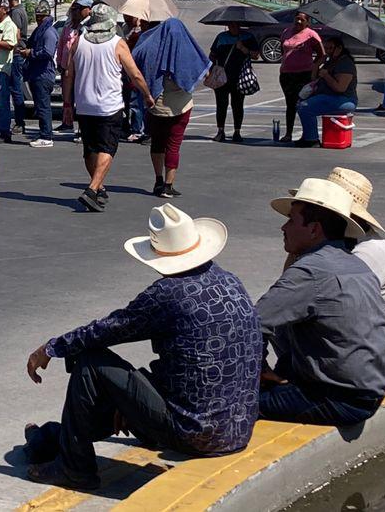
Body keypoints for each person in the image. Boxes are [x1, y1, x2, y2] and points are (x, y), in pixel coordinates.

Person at [22, 204, 260, 489]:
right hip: (238, 428)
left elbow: (107, 330)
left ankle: (74, 468)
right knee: (120, 388)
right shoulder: (231, 281)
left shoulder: (169, 293)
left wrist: (51, 348)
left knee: (89, 362)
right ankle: (48, 439)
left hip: (196, 432)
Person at [256, 177, 385, 425]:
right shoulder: (356, 264)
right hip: (370, 390)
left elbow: (251, 324)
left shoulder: (310, 272)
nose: (283, 228)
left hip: (340, 399)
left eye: (291, 220)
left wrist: (259, 369)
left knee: (231, 402)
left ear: (314, 229)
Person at [322, 168, 385, 386]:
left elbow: (331, 306)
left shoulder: (367, 252)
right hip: (365, 353)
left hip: (383, 365)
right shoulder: (345, 245)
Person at [62, 3, 155, 213]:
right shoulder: (117, 43)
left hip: (84, 105)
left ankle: (98, 187)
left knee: (90, 149)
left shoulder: (78, 42)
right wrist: (147, 95)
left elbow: (68, 74)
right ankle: (93, 188)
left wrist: (68, 103)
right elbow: (135, 75)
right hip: (109, 106)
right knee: (107, 148)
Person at [134, 18, 209, 198]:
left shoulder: (150, 46)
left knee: (158, 143)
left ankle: (158, 180)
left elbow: (136, 62)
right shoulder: (186, 48)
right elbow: (201, 70)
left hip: (156, 103)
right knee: (174, 145)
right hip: (181, 105)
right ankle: (168, 185)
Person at [293, 34, 360, 147]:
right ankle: (308, 136)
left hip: (344, 100)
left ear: (338, 48)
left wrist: (326, 75)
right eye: (326, 48)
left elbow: (340, 88)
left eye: (330, 48)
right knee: (301, 104)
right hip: (328, 96)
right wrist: (317, 64)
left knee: (306, 107)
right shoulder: (331, 61)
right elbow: (314, 78)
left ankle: (311, 139)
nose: (327, 51)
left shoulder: (345, 64)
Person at [208, 22, 260, 143]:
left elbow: (256, 55)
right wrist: (210, 71)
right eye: (231, 25)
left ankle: (237, 132)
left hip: (240, 77)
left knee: (237, 105)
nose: (234, 28)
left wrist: (243, 48)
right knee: (221, 104)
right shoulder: (221, 37)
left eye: (236, 25)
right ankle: (220, 131)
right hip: (222, 77)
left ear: (240, 26)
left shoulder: (248, 37)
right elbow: (212, 55)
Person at [277, 12, 324, 142]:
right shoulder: (287, 32)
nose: (299, 22)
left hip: (304, 75)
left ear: (307, 22)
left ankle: (308, 134)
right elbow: (283, 50)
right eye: (297, 19)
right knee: (290, 104)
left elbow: (322, 55)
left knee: (304, 104)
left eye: (302, 20)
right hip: (286, 74)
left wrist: (314, 68)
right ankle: (288, 134)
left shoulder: (311, 35)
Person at [19, 0, 60, 147]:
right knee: (40, 105)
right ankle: (44, 131)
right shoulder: (41, 31)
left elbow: (48, 52)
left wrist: (31, 53)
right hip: (37, 73)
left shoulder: (48, 32)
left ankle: (46, 136)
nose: (38, 20)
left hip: (43, 73)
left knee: (43, 106)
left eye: (40, 17)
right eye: (37, 16)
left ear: (46, 16)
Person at [54, 0, 94, 141]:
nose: (76, 12)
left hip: (82, 69)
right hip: (67, 67)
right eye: (75, 9)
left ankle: (83, 128)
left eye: (80, 9)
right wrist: (59, 61)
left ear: (88, 9)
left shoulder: (90, 26)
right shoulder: (68, 25)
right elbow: (61, 44)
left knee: (82, 98)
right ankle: (67, 121)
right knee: (67, 97)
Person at [0, 0, 19, 143]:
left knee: (2, 101)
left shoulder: (9, 25)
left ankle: (4, 131)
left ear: (4, 9)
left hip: (1, 68)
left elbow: (10, 44)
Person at [6, 0, 31, 129]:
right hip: (19, 51)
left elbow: (16, 33)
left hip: (16, 53)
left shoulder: (15, 12)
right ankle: (20, 120)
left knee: (15, 88)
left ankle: (20, 121)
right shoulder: (22, 10)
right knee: (16, 87)